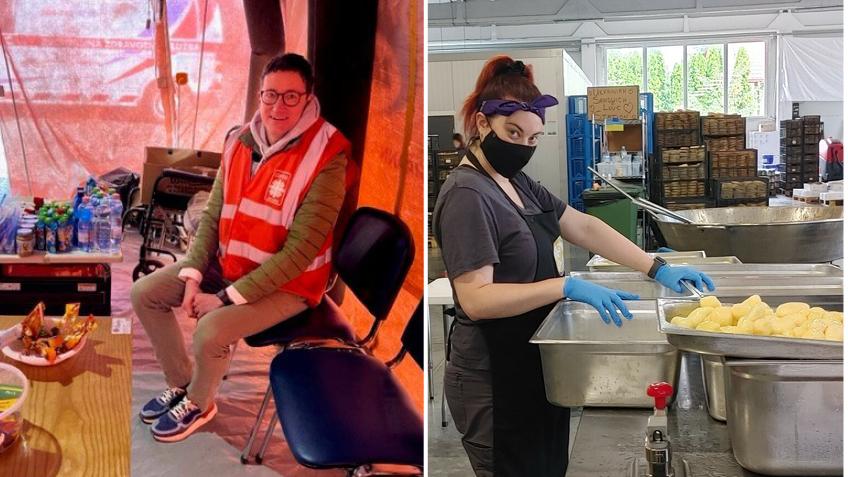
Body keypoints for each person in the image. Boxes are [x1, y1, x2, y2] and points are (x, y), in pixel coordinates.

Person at [432, 55, 714, 477]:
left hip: (533, 363)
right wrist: (563, 287)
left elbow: (581, 225)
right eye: (513, 133)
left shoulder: (515, 183)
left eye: (533, 139)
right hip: (493, 379)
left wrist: (654, 267)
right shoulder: (468, 195)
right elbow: (476, 300)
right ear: (481, 122)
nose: (523, 147)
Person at [131, 53, 357, 442]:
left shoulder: (328, 155)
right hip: (232, 263)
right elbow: (214, 215)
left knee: (211, 330)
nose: (277, 106)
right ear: (259, 96)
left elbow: (300, 253)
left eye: (290, 96)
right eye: (270, 95)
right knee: (145, 292)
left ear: (308, 98)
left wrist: (222, 298)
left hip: (291, 284)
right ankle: (183, 382)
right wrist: (192, 276)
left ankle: (201, 403)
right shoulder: (240, 141)